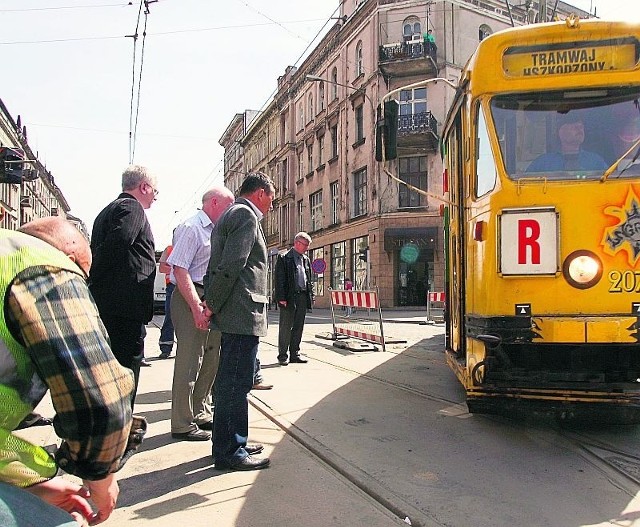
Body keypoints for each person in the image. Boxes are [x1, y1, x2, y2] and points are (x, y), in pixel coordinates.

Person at [0, 217, 146, 526]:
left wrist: (34, 479)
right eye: (83, 275)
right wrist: (100, 474)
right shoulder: (43, 265)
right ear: (70, 258)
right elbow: (100, 403)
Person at [203, 172, 275, 471]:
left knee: (231, 381)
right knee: (235, 383)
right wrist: (212, 304)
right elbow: (233, 265)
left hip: (235, 312)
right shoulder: (245, 215)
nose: (272, 203)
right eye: (272, 197)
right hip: (241, 313)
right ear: (260, 192)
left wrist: (213, 303)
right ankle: (230, 450)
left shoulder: (231, 214)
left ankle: (232, 441)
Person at [168, 187, 235, 442]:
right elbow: (180, 269)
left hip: (211, 297)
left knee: (210, 359)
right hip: (190, 297)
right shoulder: (191, 227)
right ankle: (182, 423)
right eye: (228, 206)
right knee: (189, 362)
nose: (230, 212)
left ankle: (200, 411)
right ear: (214, 203)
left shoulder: (218, 230)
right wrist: (196, 306)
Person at [89, 165, 157, 409]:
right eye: (154, 190)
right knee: (126, 370)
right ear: (144, 187)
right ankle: (122, 429)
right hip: (125, 308)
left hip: (110, 304)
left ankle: (110, 425)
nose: (155, 196)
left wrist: (93, 277)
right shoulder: (132, 208)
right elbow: (120, 241)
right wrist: (95, 273)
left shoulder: (106, 211)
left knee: (109, 369)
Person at [275, 232, 314, 365]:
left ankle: (294, 354)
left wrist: (311, 295)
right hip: (289, 297)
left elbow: (309, 279)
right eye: (305, 245)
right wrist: (281, 297)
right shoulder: (284, 258)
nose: (307, 248)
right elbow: (279, 279)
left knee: (298, 326)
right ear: (297, 243)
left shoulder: (305, 259)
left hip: (302, 296)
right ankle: (283, 355)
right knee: (286, 327)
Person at [527, 113, 608, 173]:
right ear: (561, 132)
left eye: (581, 127)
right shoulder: (542, 164)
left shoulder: (596, 162)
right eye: (575, 127)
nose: (579, 130)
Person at [158, 242, 175, 359]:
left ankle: (185, 348)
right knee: (170, 316)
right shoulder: (169, 249)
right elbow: (162, 267)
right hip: (172, 286)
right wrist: (177, 269)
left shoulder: (190, 246)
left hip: (188, 285)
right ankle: (165, 347)